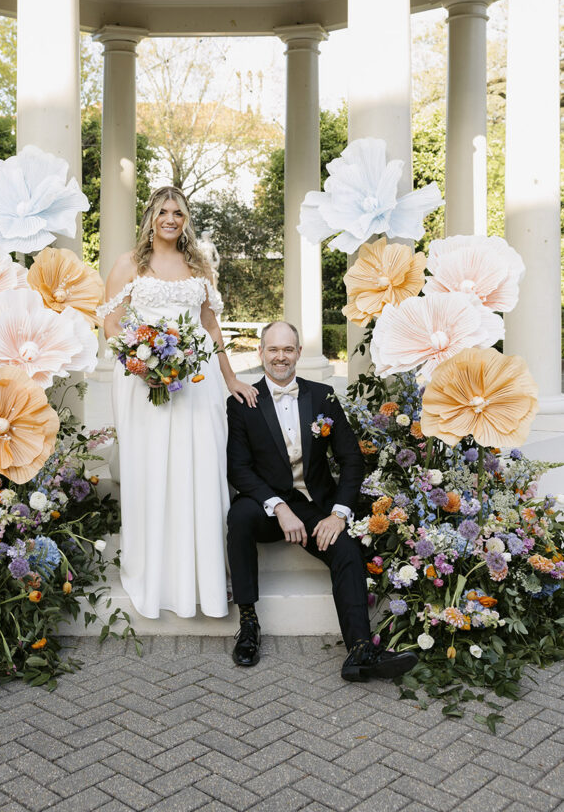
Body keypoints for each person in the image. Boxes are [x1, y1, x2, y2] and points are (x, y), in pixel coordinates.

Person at [226, 320, 418, 682]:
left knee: (345, 549)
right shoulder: (242, 403)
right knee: (239, 516)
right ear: (261, 353)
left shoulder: (322, 395)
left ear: (298, 353)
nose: (280, 357)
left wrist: (339, 514)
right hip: (268, 508)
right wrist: (279, 507)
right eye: (273, 349)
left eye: (287, 349)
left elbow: (351, 459)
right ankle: (248, 624)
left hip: (314, 506)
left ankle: (361, 651)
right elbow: (239, 469)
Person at [100, 186, 257, 619]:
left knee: (201, 467)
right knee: (152, 470)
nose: (171, 219)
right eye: (164, 211)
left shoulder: (198, 265)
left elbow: (210, 326)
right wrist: (140, 361)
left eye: (179, 213)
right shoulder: (129, 264)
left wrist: (230, 379)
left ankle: (202, 577)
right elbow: (111, 324)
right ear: (151, 216)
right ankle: (156, 574)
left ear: (185, 220)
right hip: (142, 381)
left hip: (198, 379)